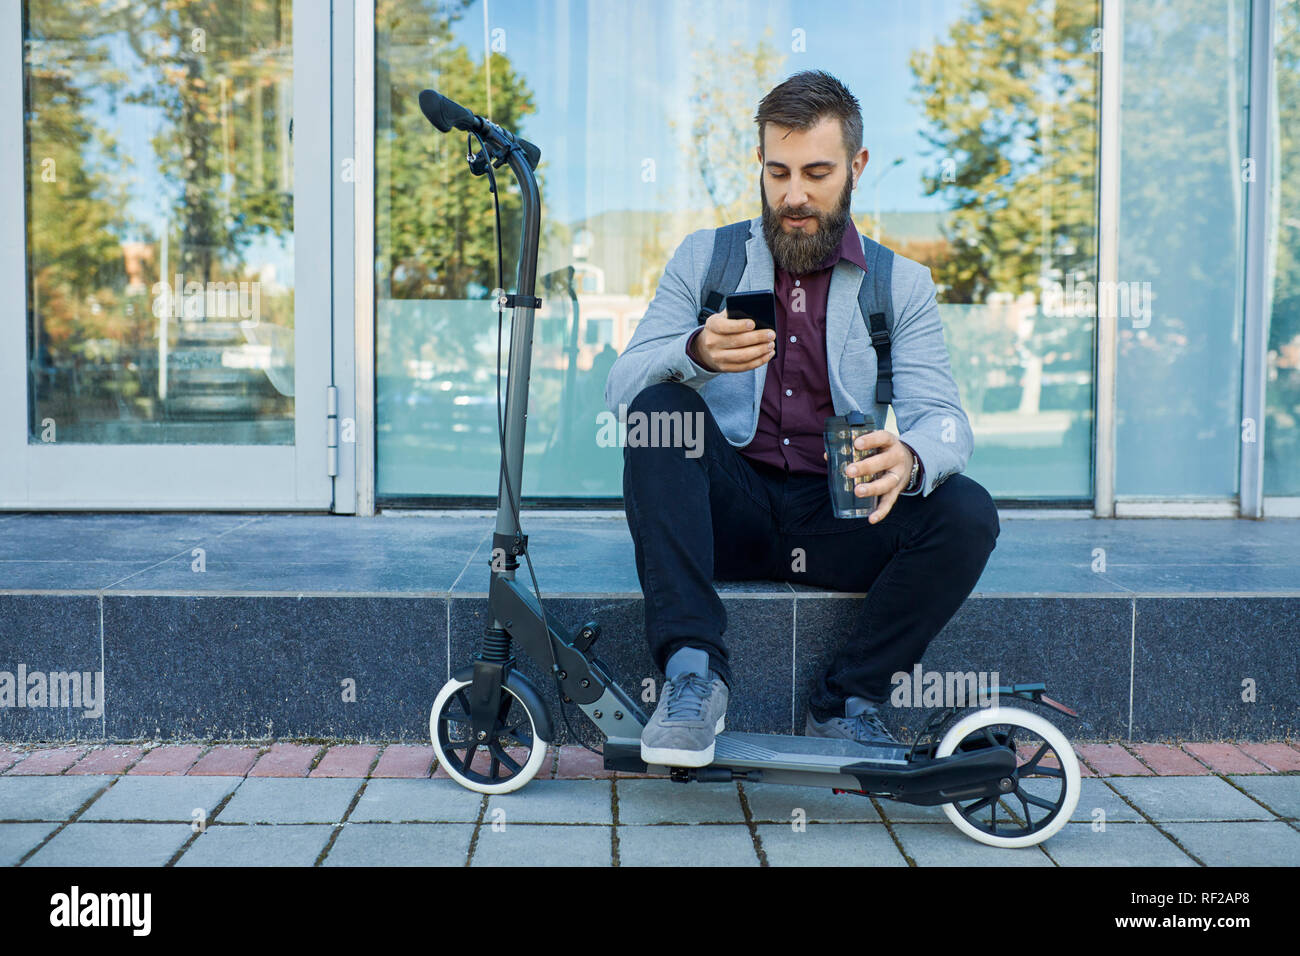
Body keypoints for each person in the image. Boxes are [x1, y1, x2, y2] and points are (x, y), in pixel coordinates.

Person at [604, 70, 1000, 768]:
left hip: (837, 519)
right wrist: (692, 352)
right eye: (777, 171)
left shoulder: (897, 283)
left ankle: (847, 702)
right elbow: (621, 390)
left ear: (857, 167)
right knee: (661, 408)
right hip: (722, 514)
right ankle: (693, 675)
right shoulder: (708, 257)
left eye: (817, 173)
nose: (793, 195)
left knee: (966, 511)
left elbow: (944, 420)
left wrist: (909, 457)